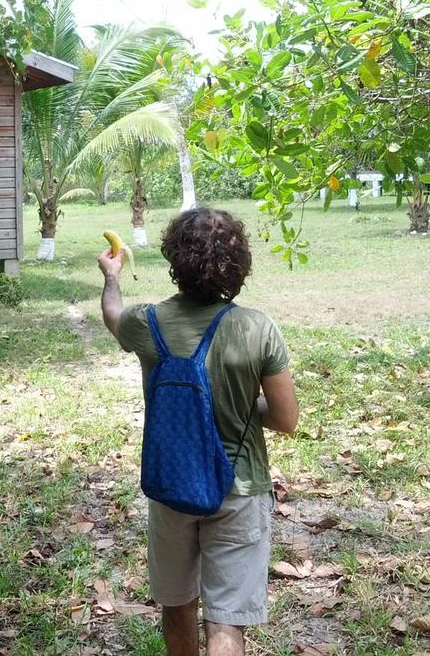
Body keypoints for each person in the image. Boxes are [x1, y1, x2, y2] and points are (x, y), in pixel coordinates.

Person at [98, 207, 298, 656]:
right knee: (226, 620)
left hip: (172, 485)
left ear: (175, 260)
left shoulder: (146, 322)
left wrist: (112, 276)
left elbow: (114, 317)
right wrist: (243, 403)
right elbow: (286, 419)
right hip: (240, 488)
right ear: (239, 263)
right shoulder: (256, 327)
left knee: (178, 605)